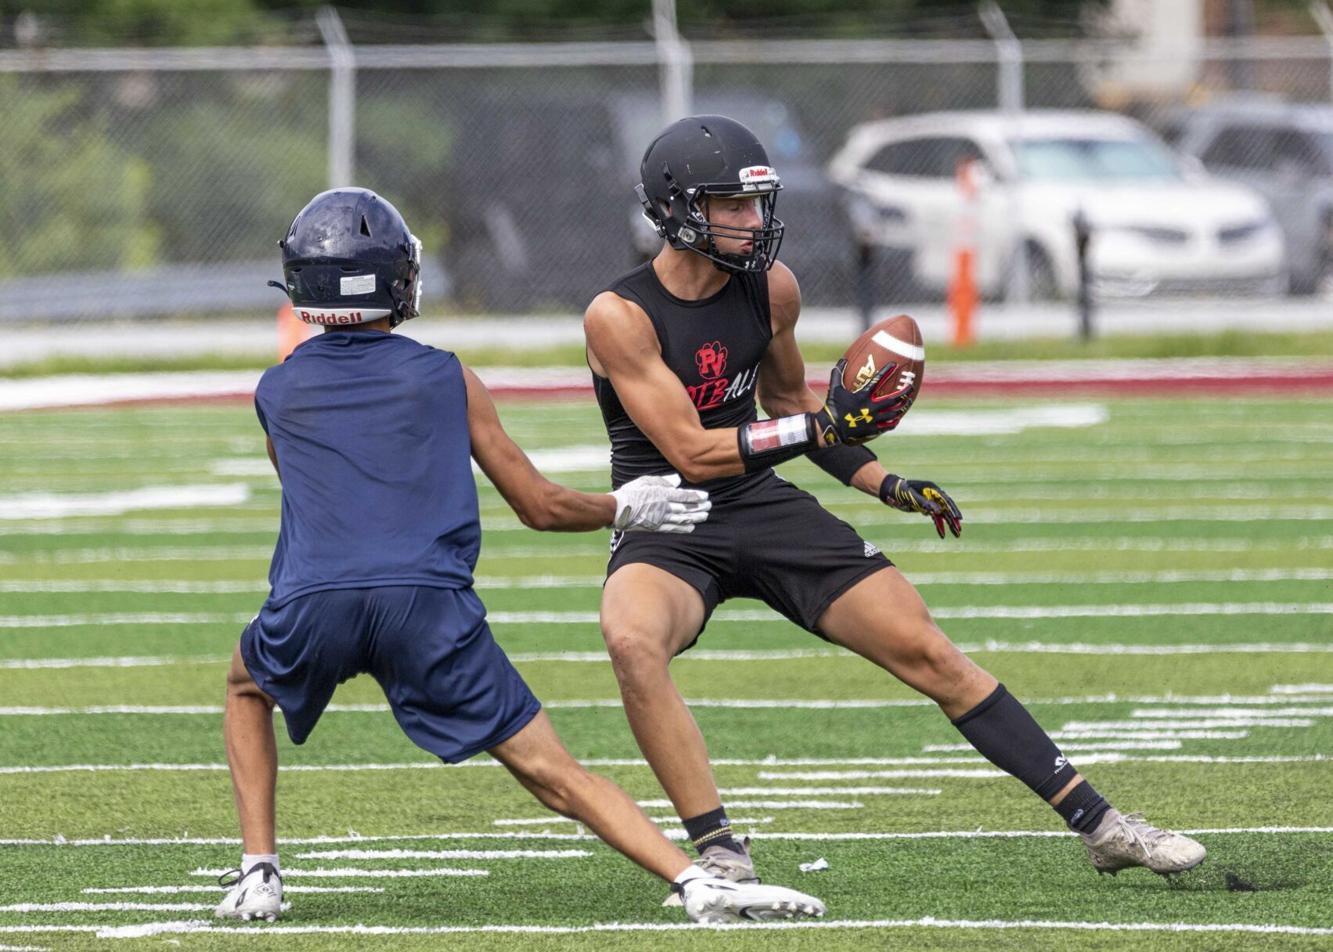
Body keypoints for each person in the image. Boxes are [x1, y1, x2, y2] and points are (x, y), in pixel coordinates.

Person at [584, 116, 1207, 894]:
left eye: (756, 204)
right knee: (631, 641)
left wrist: (884, 480)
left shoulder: (769, 287)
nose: (754, 222)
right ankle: (717, 850)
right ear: (676, 210)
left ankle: (1104, 828)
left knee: (929, 652)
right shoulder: (619, 313)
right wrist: (818, 424)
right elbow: (688, 448)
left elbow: (787, 401)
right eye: (731, 206)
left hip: (758, 503)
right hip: (669, 517)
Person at [215, 187, 827, 925]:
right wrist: (623, 507)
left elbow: (306, 491)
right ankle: (695, 881)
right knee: (553, 773)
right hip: (426, 608)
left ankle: (258, 873)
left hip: (315, 600)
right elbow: (538, 506)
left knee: (247, 687)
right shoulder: (446, 375)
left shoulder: (275, 391)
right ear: (399, 281)